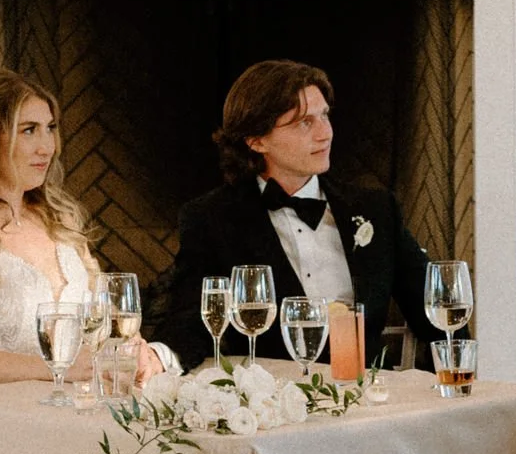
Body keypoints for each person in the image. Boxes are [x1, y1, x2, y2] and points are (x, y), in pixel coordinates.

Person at [148, 60, 444, 371]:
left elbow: (435, 308)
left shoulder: (375, 208)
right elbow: (193, 314)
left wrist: (455, 387)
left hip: (363, 400)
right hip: (273, 404)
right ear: (257, 140)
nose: (325, 133)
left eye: (325, 116)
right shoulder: (212, 218)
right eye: (305, 122)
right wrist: (159, 357)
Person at [0, 67, 161, 386]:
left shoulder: (59, 219)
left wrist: (134, 352)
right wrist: (59, 368)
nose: (47, 147)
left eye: (49, 128)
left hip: (76, 405)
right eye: (28, 130)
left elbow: (103, 327)